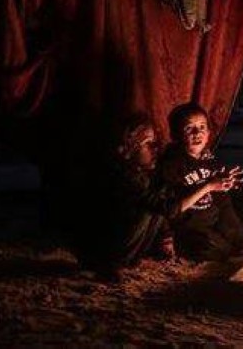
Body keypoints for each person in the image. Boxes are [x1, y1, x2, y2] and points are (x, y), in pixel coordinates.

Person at [66, 116, 177, 278]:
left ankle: (125, 260)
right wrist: (207, 187)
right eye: (147, 143)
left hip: (120, 248)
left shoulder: (142, 173)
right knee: (152, 206)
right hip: (101, 248)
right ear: (129, 147)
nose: (155, 148)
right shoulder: (121, 175)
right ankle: (109, 263)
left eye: (154, 142)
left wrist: (166, 238)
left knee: (157, 200)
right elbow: (166, 207)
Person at [160, 103, 243, 262]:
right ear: (176, 134)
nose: (197, 133)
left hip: (213, 221)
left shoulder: (209, 161)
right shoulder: (172, 164)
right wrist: (209, 186)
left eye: (202, 127)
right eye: (189, 128)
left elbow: (223, 204)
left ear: (208, 133)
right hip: (190, 227)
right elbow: (169, 210)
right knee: (211, 247)